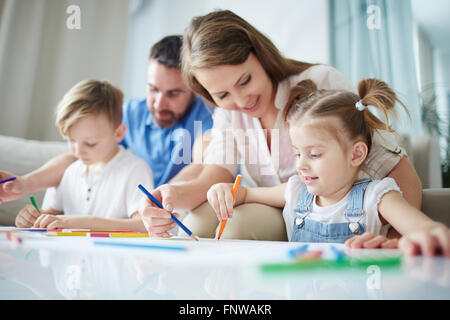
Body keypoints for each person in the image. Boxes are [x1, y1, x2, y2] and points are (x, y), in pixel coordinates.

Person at [138, 9, 423, 242]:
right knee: (197, 222)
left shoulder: (319, 83)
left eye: (245, 81)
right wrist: (169, 195)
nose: (241, 100)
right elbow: (212, 177)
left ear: (260, 56)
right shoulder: (227, 114)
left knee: (236, 230)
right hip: (278, 206)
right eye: (222, 95)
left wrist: (397, 239)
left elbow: (396, 168)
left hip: (330, 213)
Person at [207, 78, 449, 256]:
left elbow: (420, 227)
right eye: (297, 153)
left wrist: (428, 233)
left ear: (356, 154)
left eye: (314, 154)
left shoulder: (378, 197)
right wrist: (223, 189)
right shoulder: (295, 190)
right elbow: (245, 192)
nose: (300, 165)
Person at [0, 35, 213, 206]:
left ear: (193, 87)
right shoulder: (130, 113)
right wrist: (23, 184)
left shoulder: (205, 117)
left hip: (164, 206)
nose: (159, 103)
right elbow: (79, 156)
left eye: (174, 93)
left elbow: (201, 166)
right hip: (129, 208)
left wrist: (154, 202)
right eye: (153, 89)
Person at [16, 80, 153, 230]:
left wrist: (76, 223)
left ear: (118, 133)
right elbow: (52, 215)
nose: (78, 152)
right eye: (72, 140)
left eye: (90, 143)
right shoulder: (70, 171)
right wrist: (33, 219)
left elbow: (144, 225)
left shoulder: (135, 170)